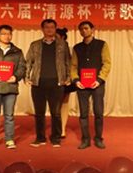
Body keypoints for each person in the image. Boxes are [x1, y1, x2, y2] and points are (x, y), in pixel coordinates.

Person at [25, 19, 71, 148]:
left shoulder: (63, 44)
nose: (49, 29)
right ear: (42, 29)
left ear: (55, 29)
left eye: (52, 27)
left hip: (57, 83)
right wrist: (26, 77)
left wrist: (68, 77)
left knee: (56, 113)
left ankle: (56, 138)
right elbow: (28, 62)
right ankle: (40, 138)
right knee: (39, 113)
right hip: (38, 83)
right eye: (47, 27)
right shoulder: (35, 45)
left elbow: (68, 62)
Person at [70, 21, 111, 149]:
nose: (84, 31)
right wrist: (76, 80)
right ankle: (85, 139)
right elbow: (73, 66)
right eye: (81, 29)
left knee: (98, 112)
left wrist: (99, 80)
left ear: (92, 29)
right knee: (83, 113)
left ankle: (98, 138)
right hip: (81, 85)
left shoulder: (102, 45)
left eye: (86, 28)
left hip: (97, 84)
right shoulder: (77, 48)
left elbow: (107, 63)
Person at [56, 27, 76, 139]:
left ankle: (62, 129)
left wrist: (69, 78)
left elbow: (73, 65)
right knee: (55, 104)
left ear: (63, 37)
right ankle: (56, 127)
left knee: (64, 103)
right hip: (53, 79)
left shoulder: (70, 49)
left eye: (56, 36)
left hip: (66, 79)